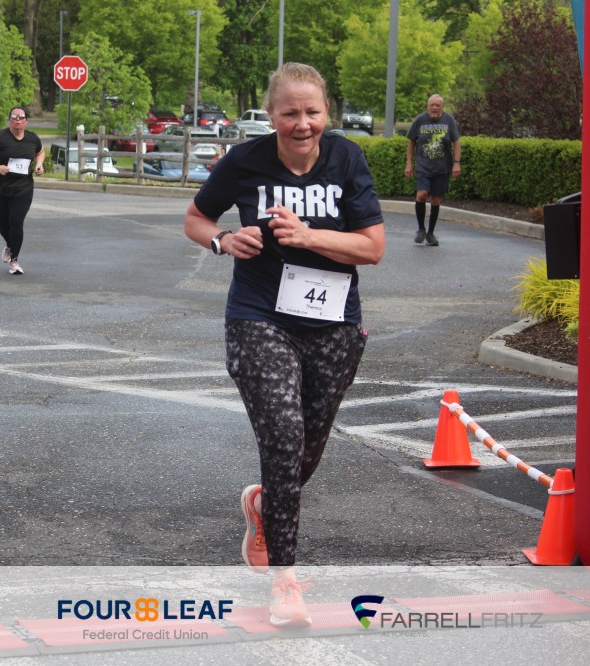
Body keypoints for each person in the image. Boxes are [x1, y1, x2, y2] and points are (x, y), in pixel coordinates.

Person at [183, 62, 385, 627]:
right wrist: (225, 240)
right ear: (271, 115)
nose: (302, 124)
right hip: (259, 316)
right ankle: (285, 581)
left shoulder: (346, 158)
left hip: (334, 321)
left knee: (303, 453)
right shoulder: (245, 161)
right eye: (290, 113)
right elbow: (196, 219)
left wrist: (307, 235)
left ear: (327, 113)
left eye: (312, 112)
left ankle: (263, 505)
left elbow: (372, 247)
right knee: (283, 436)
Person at [0, 106, 45, 275]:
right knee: (4, 226)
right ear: (9, 120)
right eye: (14, 117)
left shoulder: (32, 138)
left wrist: (39, 164)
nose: (17, 120)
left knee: (16, 222)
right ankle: (10, 245)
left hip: (23, 188)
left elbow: (40, 152)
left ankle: (14, 261)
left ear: (26, 121)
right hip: (0, 188)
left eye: (21, 117)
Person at [404, 94, 461, 247]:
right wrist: (409, 164)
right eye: (432, 105)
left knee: (436, 199)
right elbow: (411, 143)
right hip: (423, 166)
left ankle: (430, 233)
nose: (434, 107)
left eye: (437, 105)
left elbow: (456, 142)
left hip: (442, 167)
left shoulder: (449, 120)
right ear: (427, 106)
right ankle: (421, 229)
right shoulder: (420, 120)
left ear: (442, 107)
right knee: (421, 194)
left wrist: (457, 163)